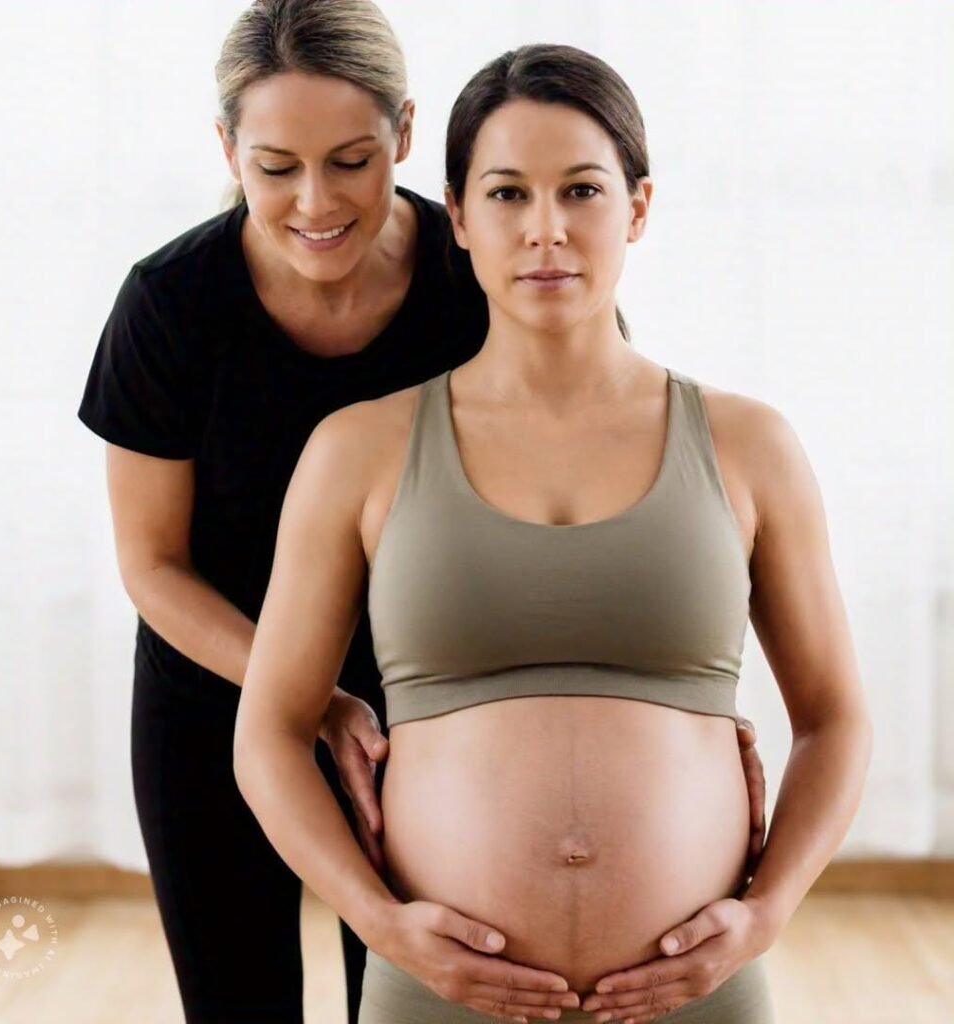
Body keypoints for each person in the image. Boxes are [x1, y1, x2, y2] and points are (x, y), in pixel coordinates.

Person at [77, 2, 767, 1021]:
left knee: (400, 973)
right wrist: (308, 696)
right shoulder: (170, 305)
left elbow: (592, 434)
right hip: (218, 679)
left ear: (402, 135)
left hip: (422, 685)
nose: (315, 199)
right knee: (234, 997)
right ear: (228, 150)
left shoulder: (484, 263)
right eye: (274, 168)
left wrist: (663, 712)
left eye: (351, 160)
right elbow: (151, 564)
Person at [233, 40, 873, 1024]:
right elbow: (269, 733)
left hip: (694, 992)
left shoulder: (751, 444)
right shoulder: (357, 451)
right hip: (438, 991)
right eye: (505, 194)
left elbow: (834, 718)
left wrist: (766, 912)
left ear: (638, 208)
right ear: (456, 214)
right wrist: (379, 923)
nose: (545, 231)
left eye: (580, 190)